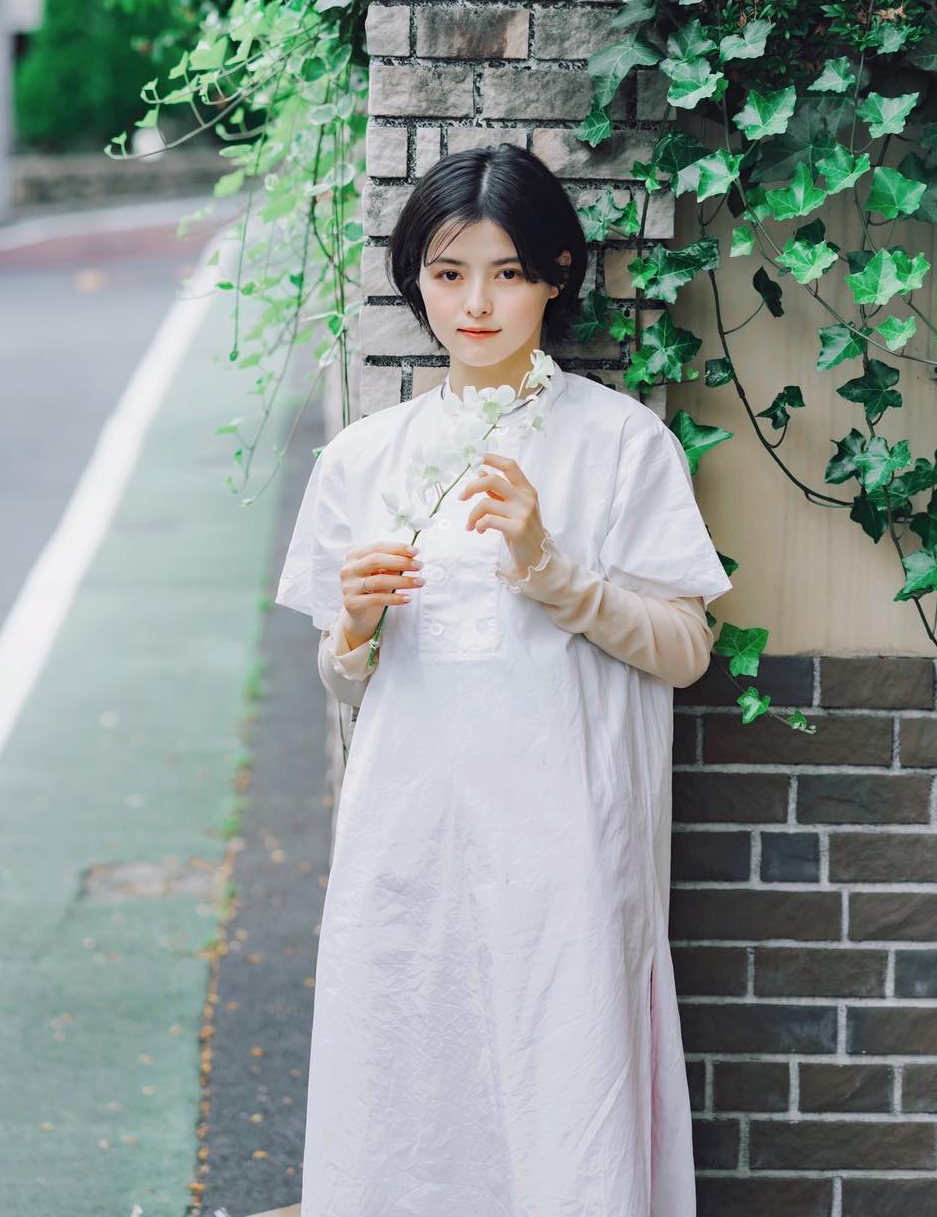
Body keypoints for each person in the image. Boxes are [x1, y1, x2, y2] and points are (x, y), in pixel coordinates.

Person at [274, 142, 734, 1216]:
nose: (476, 304)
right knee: (402, 1099)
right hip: (410, 845)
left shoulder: (620, 444)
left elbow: (685, 650)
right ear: (416, 281)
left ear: (557, 276)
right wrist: (355, 624)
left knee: (564, 1099)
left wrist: (549, 567)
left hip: (567, 853)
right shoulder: (365, 458)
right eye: (448, 273)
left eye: (508, 272)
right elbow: (346, 683)